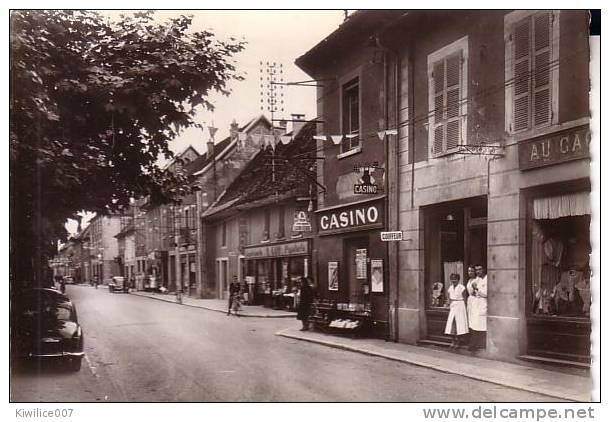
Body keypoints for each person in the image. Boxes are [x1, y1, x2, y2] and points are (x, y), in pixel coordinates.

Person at [444, 273, 468, 348]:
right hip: (453, 306)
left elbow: (465, 299)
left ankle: (458, 342)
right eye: (452, 279)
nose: (453, 280)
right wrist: (448, 304)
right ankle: (453, 341)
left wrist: (465, 309)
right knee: (452, 323)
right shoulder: (450, 288)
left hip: (460, 305)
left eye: (455, 279)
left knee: (459, 324)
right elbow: (449, 298)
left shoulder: (462, 287)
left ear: (458, 280)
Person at [469, 264, 488, 351]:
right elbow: (473, 292)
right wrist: (473, 290)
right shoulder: (477, 279)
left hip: (483, 303)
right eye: (476, 270)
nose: (478, 272)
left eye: (480, 269)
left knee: (482, 324)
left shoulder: (487, 279)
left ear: (484, 269)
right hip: (476, 303)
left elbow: (485, 294)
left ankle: (482, 344)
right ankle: (474, 344)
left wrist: (477, 289)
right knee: (475, 324)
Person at [465, 266, 477, 331]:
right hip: (470, 300)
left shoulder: (476, 280)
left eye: (472, 271)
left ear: (475, 272)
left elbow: (477, 291)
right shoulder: (469, 280)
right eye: (469, 271)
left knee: (474, 316)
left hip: (475, 300)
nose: (470, 272)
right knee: (469, 316)